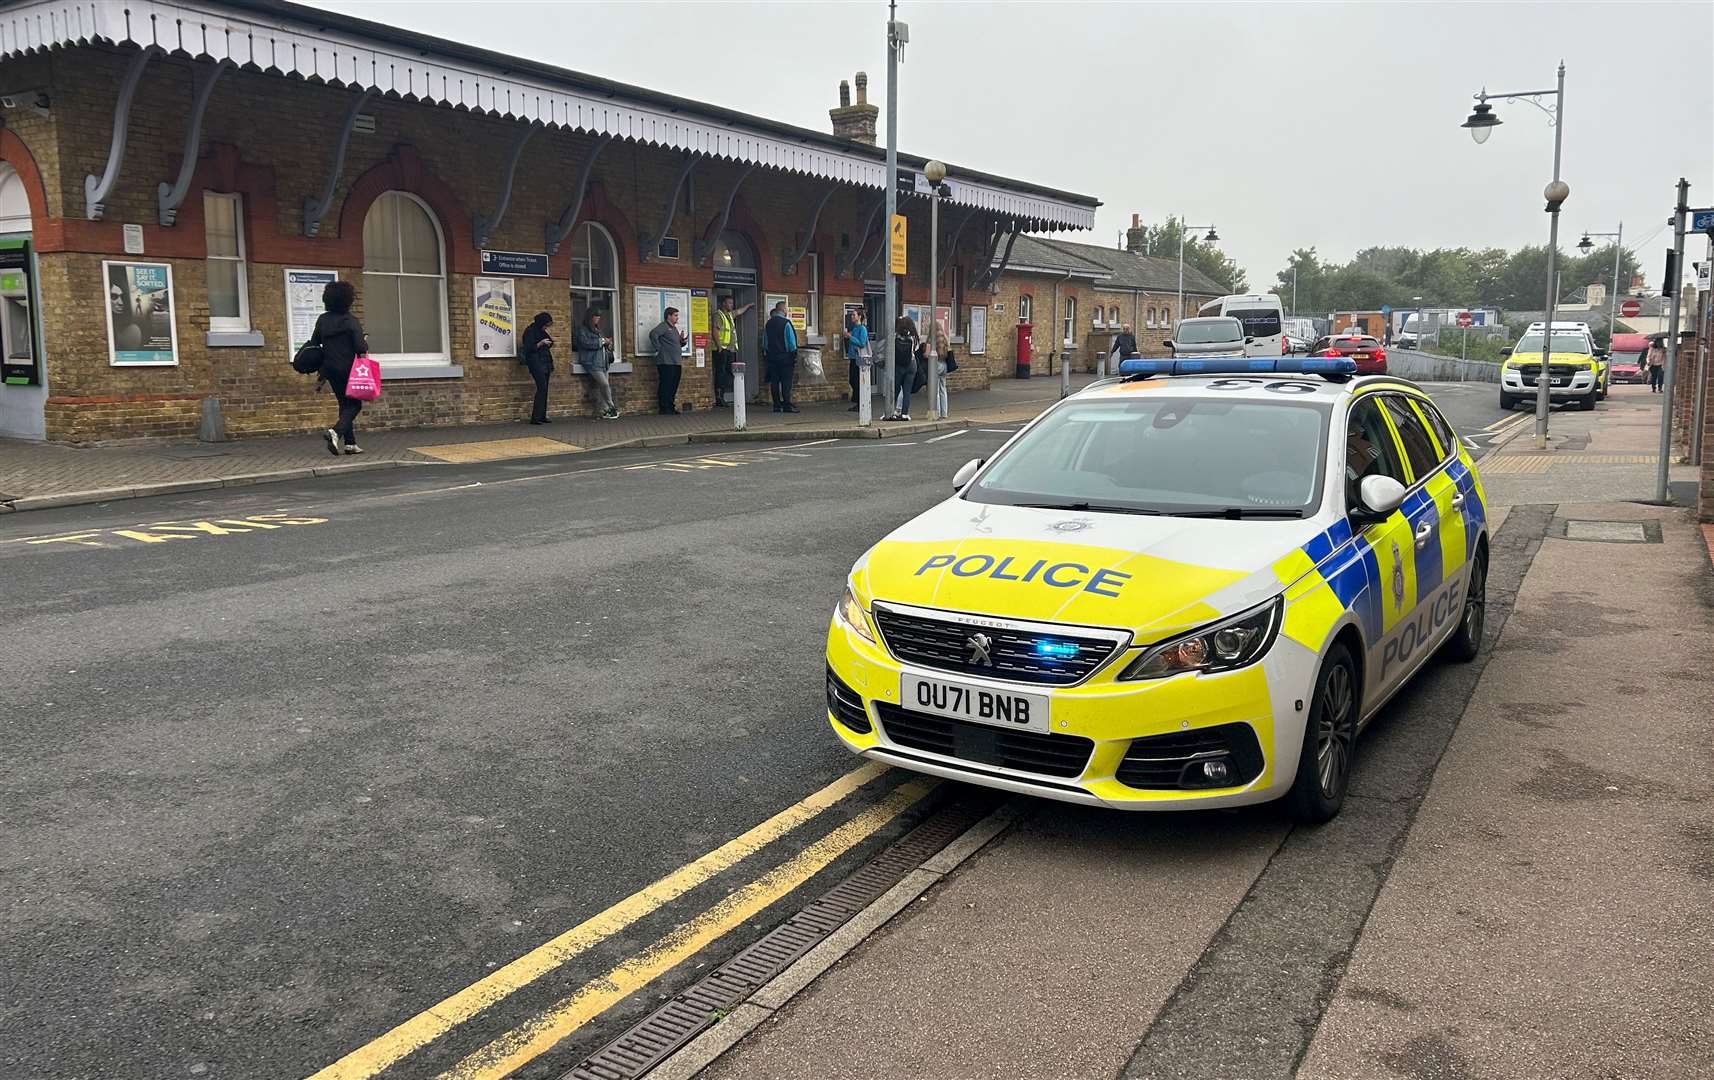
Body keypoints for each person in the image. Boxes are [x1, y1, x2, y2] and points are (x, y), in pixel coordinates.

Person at [311, 280, 369, 456]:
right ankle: (335, 432)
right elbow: (360, 348)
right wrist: (365, 340)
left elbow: (315, 342)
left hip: (329, 369)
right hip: (348, 370)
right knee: (355, 405)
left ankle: (350, 444)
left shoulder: (323, 320)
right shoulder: (351, 321)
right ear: (348, 300)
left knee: (344, 404)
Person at [711, 294, 753, 407]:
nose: (731, 305)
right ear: (723, 304)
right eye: (729, 303)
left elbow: (739, 311)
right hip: (721, 349)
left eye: (732, 303)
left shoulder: (729, 315)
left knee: (729, 373)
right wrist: (719, 346)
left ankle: (726, 395)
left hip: (730, 349)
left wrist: (748, 306)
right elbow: (715, 330)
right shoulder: (718, 315)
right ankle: (719, 397)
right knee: (721, 373)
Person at [575, 309, 617, 419]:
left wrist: (608, 343)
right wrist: (602, 341)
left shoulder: (598, 330)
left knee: (603, 387)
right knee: (604, 384)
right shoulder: (582, 330)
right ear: (590, 317)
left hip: (603, 362)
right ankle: (611, 407)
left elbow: (603, 344)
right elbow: (586, 343)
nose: (598, 319)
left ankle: (605, 410)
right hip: (591, 362)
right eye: (596, 316)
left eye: (599, 317)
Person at [649, 307, 688, 414]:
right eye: (675, 315)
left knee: (674, 385)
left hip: (676, 361)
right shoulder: (664, 326)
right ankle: (664, 407)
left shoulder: (674, 329)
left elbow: (675, 344)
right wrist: (658, 348)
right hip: (666, 362)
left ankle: (671, 406)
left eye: (677, 315)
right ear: (669, 316)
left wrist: (682, 341)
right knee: (666, 384)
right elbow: (653, 334)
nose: (677, 318)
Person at [764, 301, 800, 412]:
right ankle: (787, 405)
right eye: (786, 309)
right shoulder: (786, 323)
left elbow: (765, 343)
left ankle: (776, 405)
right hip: (785, 358)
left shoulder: (768, 324)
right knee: (786, 382)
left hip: (772, 358)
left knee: (774, 382)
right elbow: (791, 343)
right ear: (783, 310)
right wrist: (793, 354)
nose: (787, 311)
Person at [521, 312, 555, 424]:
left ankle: (542, 415)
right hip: (536, 362)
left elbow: (550, 342)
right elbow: (528, 348)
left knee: (545, 389)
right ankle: (535, 417)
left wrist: (549, 342)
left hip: (545, 362)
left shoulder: (542, 331)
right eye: (545, 325)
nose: (546, 328)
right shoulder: (529, 331)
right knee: (541, 388)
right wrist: (540, 343)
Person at [889, 312, 919, 421]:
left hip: (899, 365)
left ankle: (890, 412)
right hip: (911, 364)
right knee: (907, 391)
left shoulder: (895, 336)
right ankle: (905, 414)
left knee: (895, 389)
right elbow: (915, 350)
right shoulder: (913, 337)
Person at [844, 309, 870, 411]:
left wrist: (850, 337)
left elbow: (862, 343)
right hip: (853, 357)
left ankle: (860, 404)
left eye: (854, 315)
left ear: (859, 317)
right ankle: (858, 402)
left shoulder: (862, 329)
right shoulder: (854, 328)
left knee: (857, 381)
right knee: (852, 380)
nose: (852, 317)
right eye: (852, 315)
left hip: (859, 358)